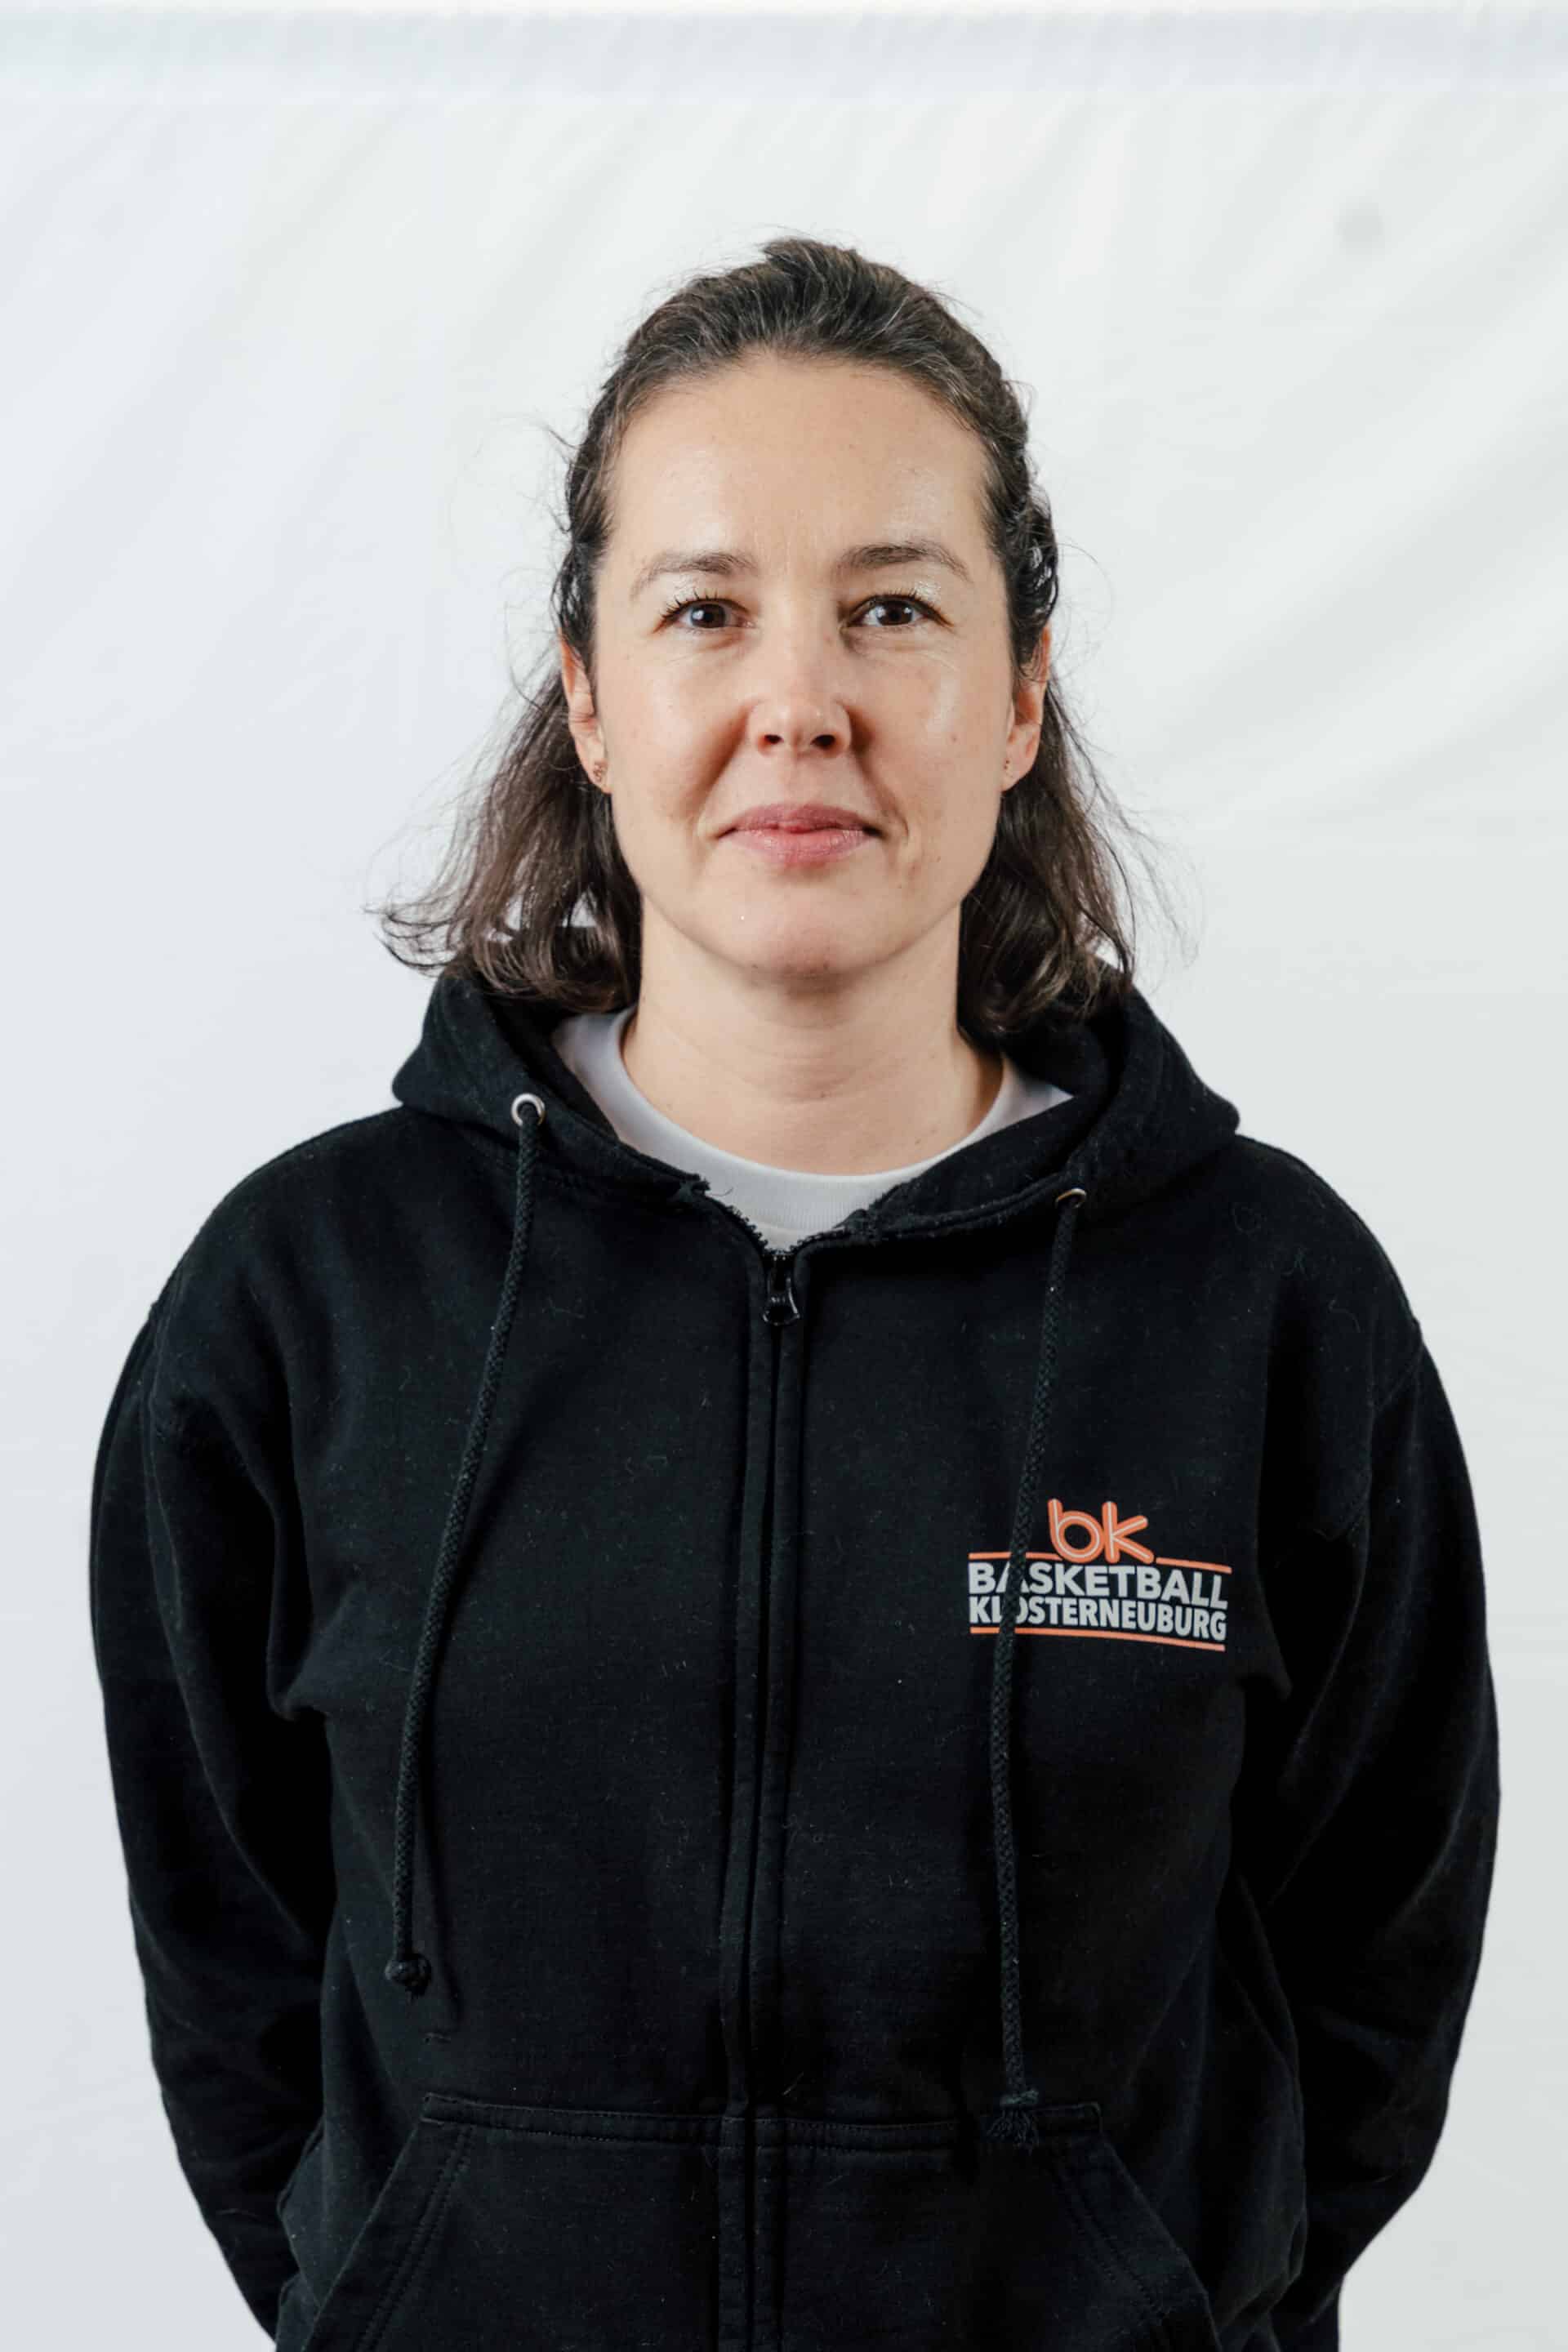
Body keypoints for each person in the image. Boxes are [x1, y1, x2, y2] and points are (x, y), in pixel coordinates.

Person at [88, 235, 1499, 2352]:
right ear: (589, 694)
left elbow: (1374, 1956)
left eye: (894, 607)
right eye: (707, 610)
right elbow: (230, 1952)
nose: (800, 701)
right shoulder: (312, 1303)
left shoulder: (1262, 1304)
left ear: (1019, 692)